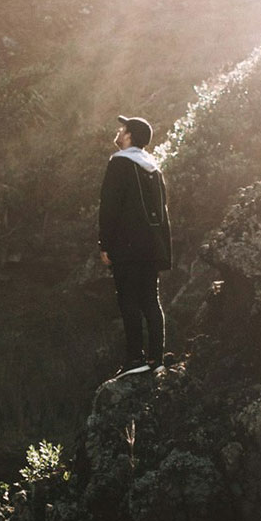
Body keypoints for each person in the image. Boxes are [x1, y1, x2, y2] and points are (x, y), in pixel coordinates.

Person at [98, 114, 171, 377]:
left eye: (122, 129)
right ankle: (157, 359)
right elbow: (163, 212)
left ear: (129, 136)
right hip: (152, 247)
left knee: (128, 299)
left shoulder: (119, 163)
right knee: (151, 300)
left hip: (126, 246)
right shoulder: (154, 168)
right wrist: (164, 251)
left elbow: (109, 206)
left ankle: (135, 359)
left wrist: (105, 243)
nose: (118, 132)